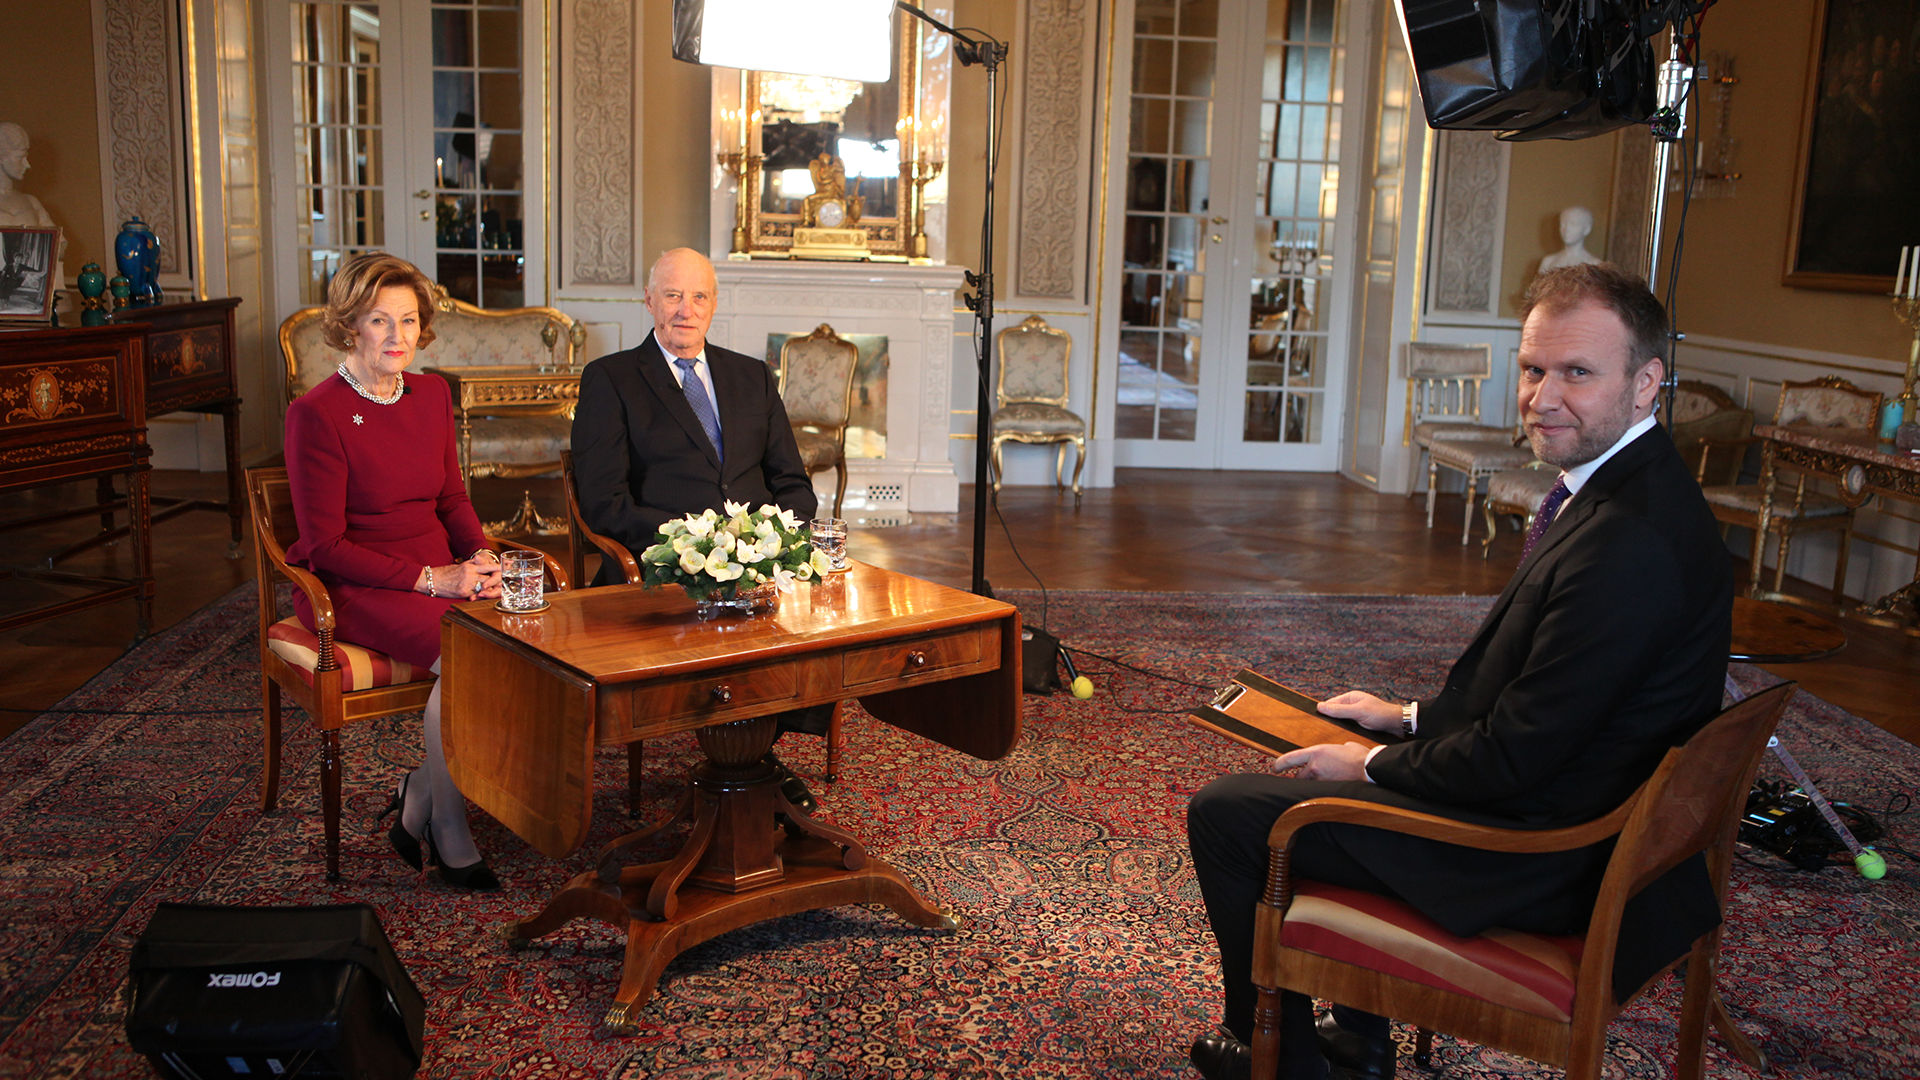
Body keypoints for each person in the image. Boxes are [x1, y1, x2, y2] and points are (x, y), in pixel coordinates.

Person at [1185, 263, 1733, 1080]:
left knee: (1228, 813)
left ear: (1646, 382)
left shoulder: (1630, 544)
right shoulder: (1633, 490)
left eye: (1577, 373)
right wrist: (1402, 721)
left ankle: (1281, 1060)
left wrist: (1371, 766)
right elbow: (1542, 699)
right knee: (1345, 743)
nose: (1543, 398)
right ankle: (1358, 1045)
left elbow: (1512, 759)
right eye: (1533, 369)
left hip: (1541, 855)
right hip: (1568, 802)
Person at [570, 246, 829, 809]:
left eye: (698, 296)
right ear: (649, 300)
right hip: (666, 565)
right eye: (672, 295)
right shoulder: (611, 379)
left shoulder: (752, 376)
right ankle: (745, 761)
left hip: (759, 562)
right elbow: (604, 503)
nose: (685, 310)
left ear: (714, 304)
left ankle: (755, 751)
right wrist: (697, 545)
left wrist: (782, 545)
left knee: (825, 624)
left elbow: (791, 481)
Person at [284, 252, 505, 890]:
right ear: (350, 326)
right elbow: (324, 545)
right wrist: (436, 579)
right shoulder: (316, 413)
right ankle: (449, 828)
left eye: (408, 320)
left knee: (526, 639)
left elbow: (452, 498)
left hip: (439, 570)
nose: (396, 336)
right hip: (354, 585)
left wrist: (480, 556)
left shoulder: (431, 393)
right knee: (469, 654)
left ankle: (421, 794)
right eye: (380, 320)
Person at [0, 122, 65, 298]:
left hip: (31, 296)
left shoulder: (31, 202)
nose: (27, 164)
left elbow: (60, 246)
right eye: (20, 157)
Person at [1537, 205, 1602, 274]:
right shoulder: (1548, 261)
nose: (1567, 229)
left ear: (1586, 229)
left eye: (1573, 224)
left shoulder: (1595, 264)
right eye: (1563, 224)